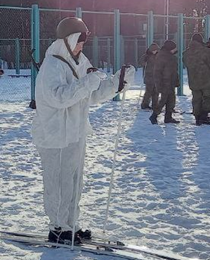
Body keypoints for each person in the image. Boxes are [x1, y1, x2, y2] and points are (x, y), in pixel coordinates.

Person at [31, 17, 133, 245]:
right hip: (54, 134)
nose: (82, 46)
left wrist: (116, 84)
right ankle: (57, 227)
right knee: (58, 182)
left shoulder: (80, 61)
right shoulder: (52, 65)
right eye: (79, 41)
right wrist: (89, 81)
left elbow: (90, 94)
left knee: (74, 181)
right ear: (68, 39)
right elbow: (59, 97)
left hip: (76, 132)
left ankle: (71, 225)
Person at [183, 34, 210, 125]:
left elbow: (186, 64)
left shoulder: (186, 53)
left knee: (196, 98)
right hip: (206, 79)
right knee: (208, 97)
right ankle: (204, 116)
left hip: (193, 79)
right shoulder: (206, 52)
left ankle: (197, 117)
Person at [149, 40, 180, 124]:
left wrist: (176, 80)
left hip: (170, 82)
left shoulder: (170, 56)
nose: (175, 49)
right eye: (174, 48)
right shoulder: (163, 57)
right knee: (163, 100)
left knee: (171, 100)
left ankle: (168, 117)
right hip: (165, 83)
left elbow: (174, 71)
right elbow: (157, 72)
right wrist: (159, 85)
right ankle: (154, 115)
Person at [140, 43, 159, 110]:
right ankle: (145, 104)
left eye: (155, 50)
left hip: (156, 77)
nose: (154, 51)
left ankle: (155, 105)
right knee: (148, 91)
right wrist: (144, 60)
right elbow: (142, 62)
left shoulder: (158, 56)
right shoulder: (147, 56)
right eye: (153, 50)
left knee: (156, 92)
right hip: (149, 76)